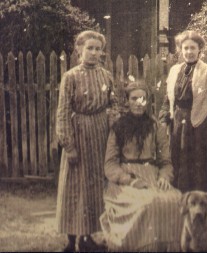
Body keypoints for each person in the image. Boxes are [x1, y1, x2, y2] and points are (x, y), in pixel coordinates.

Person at [100, 82, 182, 252]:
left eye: (143, 99)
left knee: (175, 199)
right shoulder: (118, 128)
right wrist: (128, 180)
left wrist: (164, 177)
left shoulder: (155, 126)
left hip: (152, 176)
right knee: (147, 203)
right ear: (127, 102)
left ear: (148, 102)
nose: (139, 103)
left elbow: (165, 161)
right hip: (126, 181)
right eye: (134, 98)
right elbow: (110, 163)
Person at [56, 30, 118, 252]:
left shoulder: (106, 75)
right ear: (79, 50)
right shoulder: (70, 77)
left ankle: (88, 237)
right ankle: (71, 240)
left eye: (97, 49)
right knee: (74, 187)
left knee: (94, 187)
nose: (93, 52)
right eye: (89, 48)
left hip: (100, 135)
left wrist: (113, 122)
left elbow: (114, 104)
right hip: (78, 135)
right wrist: (68, 144)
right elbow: (63, 112)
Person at [159, 30, 207, 202]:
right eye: (185, 48)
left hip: (200, 126)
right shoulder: (175, 70)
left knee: (200, 165)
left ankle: (204, 206)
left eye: (193, 48)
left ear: (200, 49)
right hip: (178, 125)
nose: (189, 51)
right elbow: (168, 99)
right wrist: (164, 119)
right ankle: (181, 204)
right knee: (179, 162)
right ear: (180, 50)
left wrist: (204, 117)